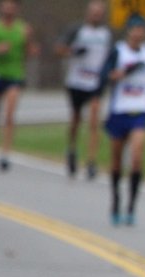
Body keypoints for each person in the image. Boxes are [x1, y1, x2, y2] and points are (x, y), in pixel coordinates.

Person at [100, 14, 145, 226]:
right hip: (119, 110)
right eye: (135, 29)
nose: (138, 33)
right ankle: (115, 201)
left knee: (136, 157)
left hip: (140, 111)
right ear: (128, 31)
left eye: (141, 29)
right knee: (116, 160)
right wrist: (120, 73)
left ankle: (131, 206)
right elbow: (105, 75)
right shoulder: (118, 51)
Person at [0, 0, 39, 172]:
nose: (9, 9)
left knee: (9, 114)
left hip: (15, 76)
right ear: (0, 7)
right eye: (6, 5)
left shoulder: (24, 29)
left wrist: (32, 50)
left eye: (12, 6)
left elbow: (30, 50)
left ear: (17, 9)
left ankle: (5, 154)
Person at [55, 0, 111, 180]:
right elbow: (59, 49)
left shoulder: (106, 34)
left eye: (99, 13)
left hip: (95, 82)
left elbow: (110, 57)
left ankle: (91, 161)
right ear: (88, 13)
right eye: (93, 12)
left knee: (94, 121)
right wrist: (73, 52)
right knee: (76, 120)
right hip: (76, 81)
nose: (96, 15)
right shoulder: (77, 30)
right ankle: (71, 149)